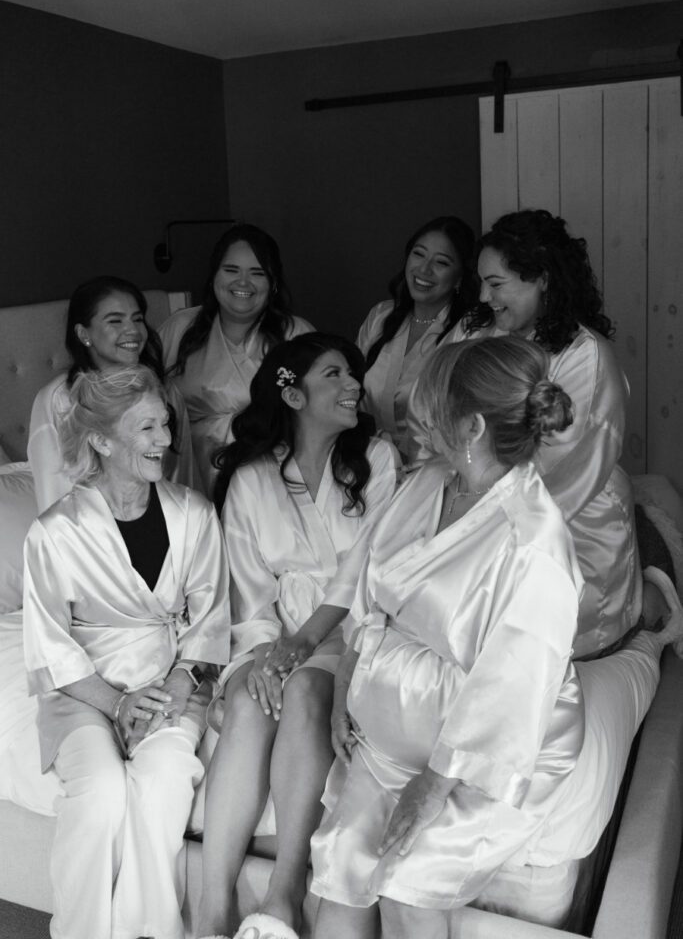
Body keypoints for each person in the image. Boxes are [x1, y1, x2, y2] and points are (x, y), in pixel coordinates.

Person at [310, 336, 683, 939]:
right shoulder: (428, 483)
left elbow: (515, 684)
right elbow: (368, 583)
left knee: (408, 885)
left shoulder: (534, 541)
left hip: (484, 754)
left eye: (430, 403)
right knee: (340, 870)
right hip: (389, 730)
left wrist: (434, 787)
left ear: (473, 425)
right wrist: (345, 681)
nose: (414, 413)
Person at [195, 333, 396, 939]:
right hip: (277, 635)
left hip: (355, 633)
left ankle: (283, 895)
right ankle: (212, 909)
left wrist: (298, 648)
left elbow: (364, 570)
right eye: (334, 374)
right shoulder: (253, 478)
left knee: (307, 693)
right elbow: (249, 594)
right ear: (293, 391)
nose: (353, 385)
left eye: (353, 373)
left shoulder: (377, 462)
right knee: (252, 706)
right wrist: (262, 657)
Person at [22, 365, 231, 939]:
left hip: (170, 685)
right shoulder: (54, 532)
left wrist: (178, 689)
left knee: (162, 786)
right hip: (84, 695)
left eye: (165, 424)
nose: (165, 439)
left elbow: (210, 620)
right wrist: (116, 704)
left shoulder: (194, 513)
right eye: (146, 429)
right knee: (101, 798)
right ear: (101, 440)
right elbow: (50, 649)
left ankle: (149, 933)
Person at [451, 209, 640, 658]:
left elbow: (562, 469)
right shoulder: (475, 328)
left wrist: (469, 519)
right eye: (481, 282)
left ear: (543, 279)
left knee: (520, 636)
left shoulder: (585, 358)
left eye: (496, 284)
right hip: (466, 492)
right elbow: (435, 408)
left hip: (566, 518)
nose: (483, 295)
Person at [160, 223, 313, 495]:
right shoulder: (179, 328)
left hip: (270, 478)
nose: (243, 283)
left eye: (257, 273)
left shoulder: (296, 334)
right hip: (186, 473)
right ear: (214, 275)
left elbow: (317, 411)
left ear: (273, 282)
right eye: (231, 270)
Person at [28, 275, 195, 515]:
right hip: (88, 539)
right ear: (84, 334)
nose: (133, 331)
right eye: (115, 321)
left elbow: (184, 479)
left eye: (138, 319)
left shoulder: (165, 392)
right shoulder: (59, 400)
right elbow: (55, 498)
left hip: (167, 530)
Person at [356, 215, 476, 464]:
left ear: (460, 277)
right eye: (418, 254)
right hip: (368, 463)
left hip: (433, 471)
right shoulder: (380, 317)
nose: (424, 269)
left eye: (441, 262)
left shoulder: (469, 333)